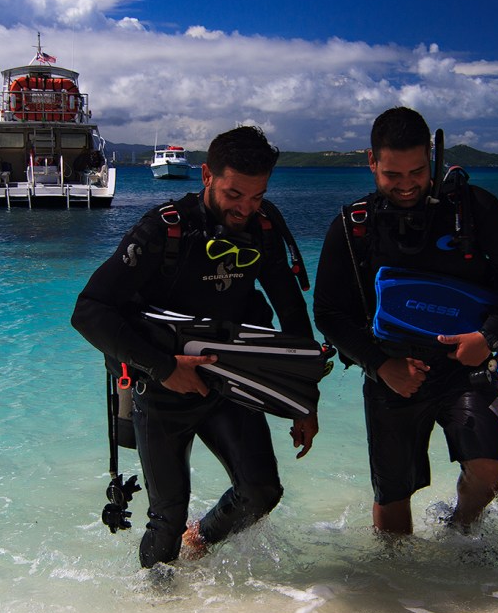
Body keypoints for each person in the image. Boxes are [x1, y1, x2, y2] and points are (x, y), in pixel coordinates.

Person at [71, 126, 319, 569]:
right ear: (206, 175)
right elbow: (89, 311)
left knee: (262, 491)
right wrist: (164, 367)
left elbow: (292, 313)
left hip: (228, 382)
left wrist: (303, 400)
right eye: (234, 194)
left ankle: (200, 539)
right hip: (159, 386)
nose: (246, 207)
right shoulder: (162, 229)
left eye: (257, 196)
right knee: (165, 518)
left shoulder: (262, 227)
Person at [313, 106, 498, 534]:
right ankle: (403, 587)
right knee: (393, 498)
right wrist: (380, 365)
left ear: (433, 159)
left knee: (489, 473)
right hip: (391, 373)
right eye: (391, 175)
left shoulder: (474, 209)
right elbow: (327, 313)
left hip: (467, 366)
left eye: (417, 172)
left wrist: (489, 336)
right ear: (372, 162)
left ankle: (459, 529)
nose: (405, 185)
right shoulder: (353, 227)